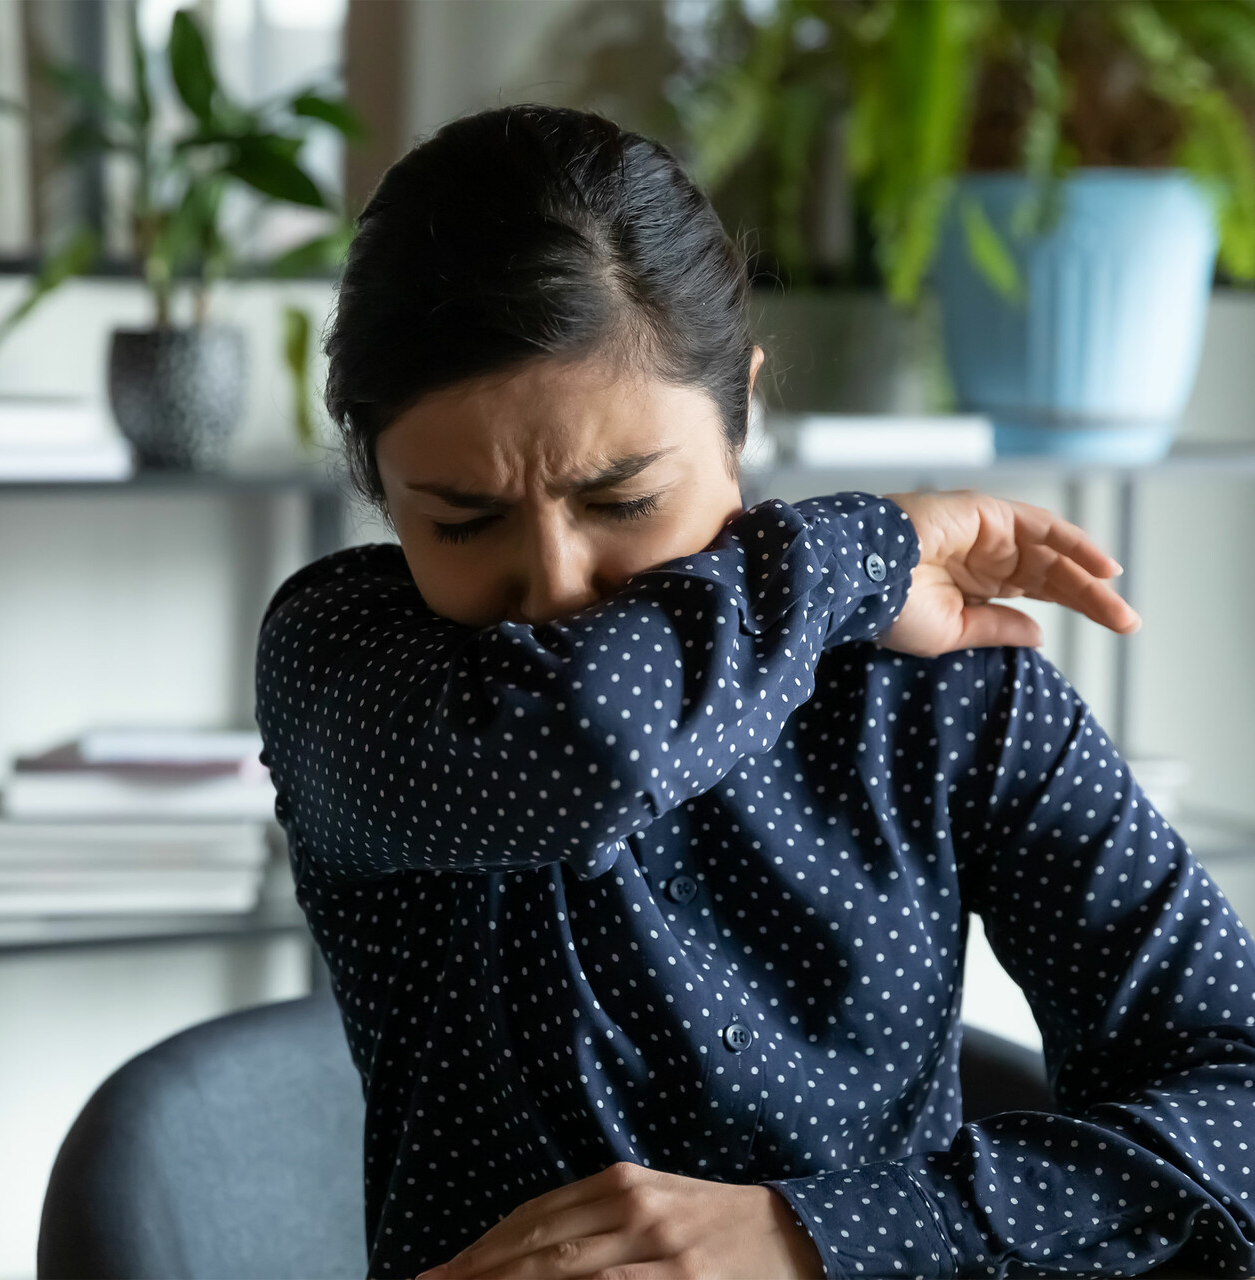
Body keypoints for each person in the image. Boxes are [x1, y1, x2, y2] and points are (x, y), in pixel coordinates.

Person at [254, 104, 1255, 1280]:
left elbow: (1231, 1092)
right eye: (462, 521)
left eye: (624, 501)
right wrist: (867, 544)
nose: (559, 588)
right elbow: (589, 748)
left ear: (742, 409)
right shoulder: (347, 657)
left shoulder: (938, 691)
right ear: (376, 480)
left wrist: (812, 1230)